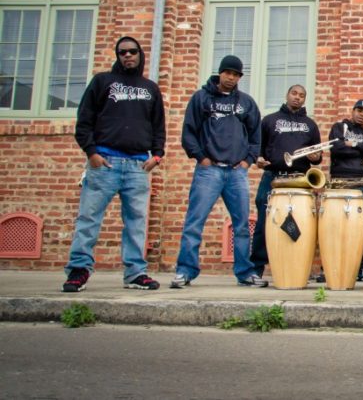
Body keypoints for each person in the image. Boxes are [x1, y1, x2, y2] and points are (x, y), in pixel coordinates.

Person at [62, 37, 166, 292]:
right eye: (122, 52)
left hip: (137, 166)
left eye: (132, 52)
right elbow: (84, 121)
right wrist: (91, 153)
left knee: (136, 222)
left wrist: (157, 156)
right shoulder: (102, 82)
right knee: (88, 218)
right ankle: (78, 270)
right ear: (118, 56)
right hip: (104, 163)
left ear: (140, 55)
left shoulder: (150, 88)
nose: (127, 56)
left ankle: (135, 273)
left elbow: (158, 126)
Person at [171, 55, 265, 288]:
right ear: (220, 73)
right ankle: (185, 271)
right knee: (195, 222)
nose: (231, 78)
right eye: (228, 73)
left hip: (236, 173)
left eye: (236, 75)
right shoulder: (201, 98)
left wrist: (247, 161)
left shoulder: (246, 103)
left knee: (242, 225)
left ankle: (245, 272)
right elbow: (189, 132)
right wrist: (201, 158)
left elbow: (256, 136)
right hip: (208, 171)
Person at [250, 84, 321, 279]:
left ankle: (298, 269)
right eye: (294, 94)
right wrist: (259, 158)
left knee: (302, 224)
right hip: (273, 177)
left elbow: (317, 155)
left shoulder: (310, 125)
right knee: (265, 223)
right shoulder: (270, 120)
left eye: (302, 95)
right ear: (287, 95)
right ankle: (256, 269)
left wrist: (316, 157)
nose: (297, 98)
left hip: (300, 179)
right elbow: (259, 148)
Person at [329, 99, 363, 281]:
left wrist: (355, 145)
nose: (362, 114)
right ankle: (331, 266)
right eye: (359, 110)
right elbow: (336, 149)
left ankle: (358, 269)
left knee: (361, 228)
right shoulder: (339, 128)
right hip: (341, 183)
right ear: (353, 110)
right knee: (337, 226)